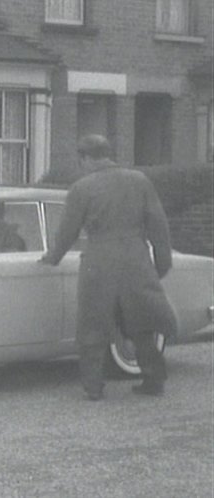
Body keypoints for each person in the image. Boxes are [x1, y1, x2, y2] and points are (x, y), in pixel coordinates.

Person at [40, 134, 177, 401]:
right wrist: (163, 262)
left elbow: (68, 231)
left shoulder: (82, 188)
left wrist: (53, 257)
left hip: (99, 261)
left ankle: (93, 387)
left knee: (93, 324)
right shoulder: (139, 180)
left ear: (85, 157)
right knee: (142, 323)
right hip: (136, 258)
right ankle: (153, 379)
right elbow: (158, 225)